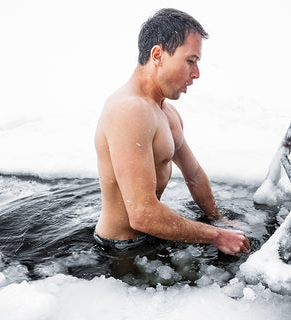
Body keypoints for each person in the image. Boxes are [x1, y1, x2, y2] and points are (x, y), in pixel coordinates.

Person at [94, 8, 250, 256]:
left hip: (152, 236)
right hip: (122, 250)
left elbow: (194, 174)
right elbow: (142, 215)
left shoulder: (166, 113)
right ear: (158, 55)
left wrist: (218, 219)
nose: (196, 74)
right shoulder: (129, 111)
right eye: (190, 61)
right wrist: (217, 236)